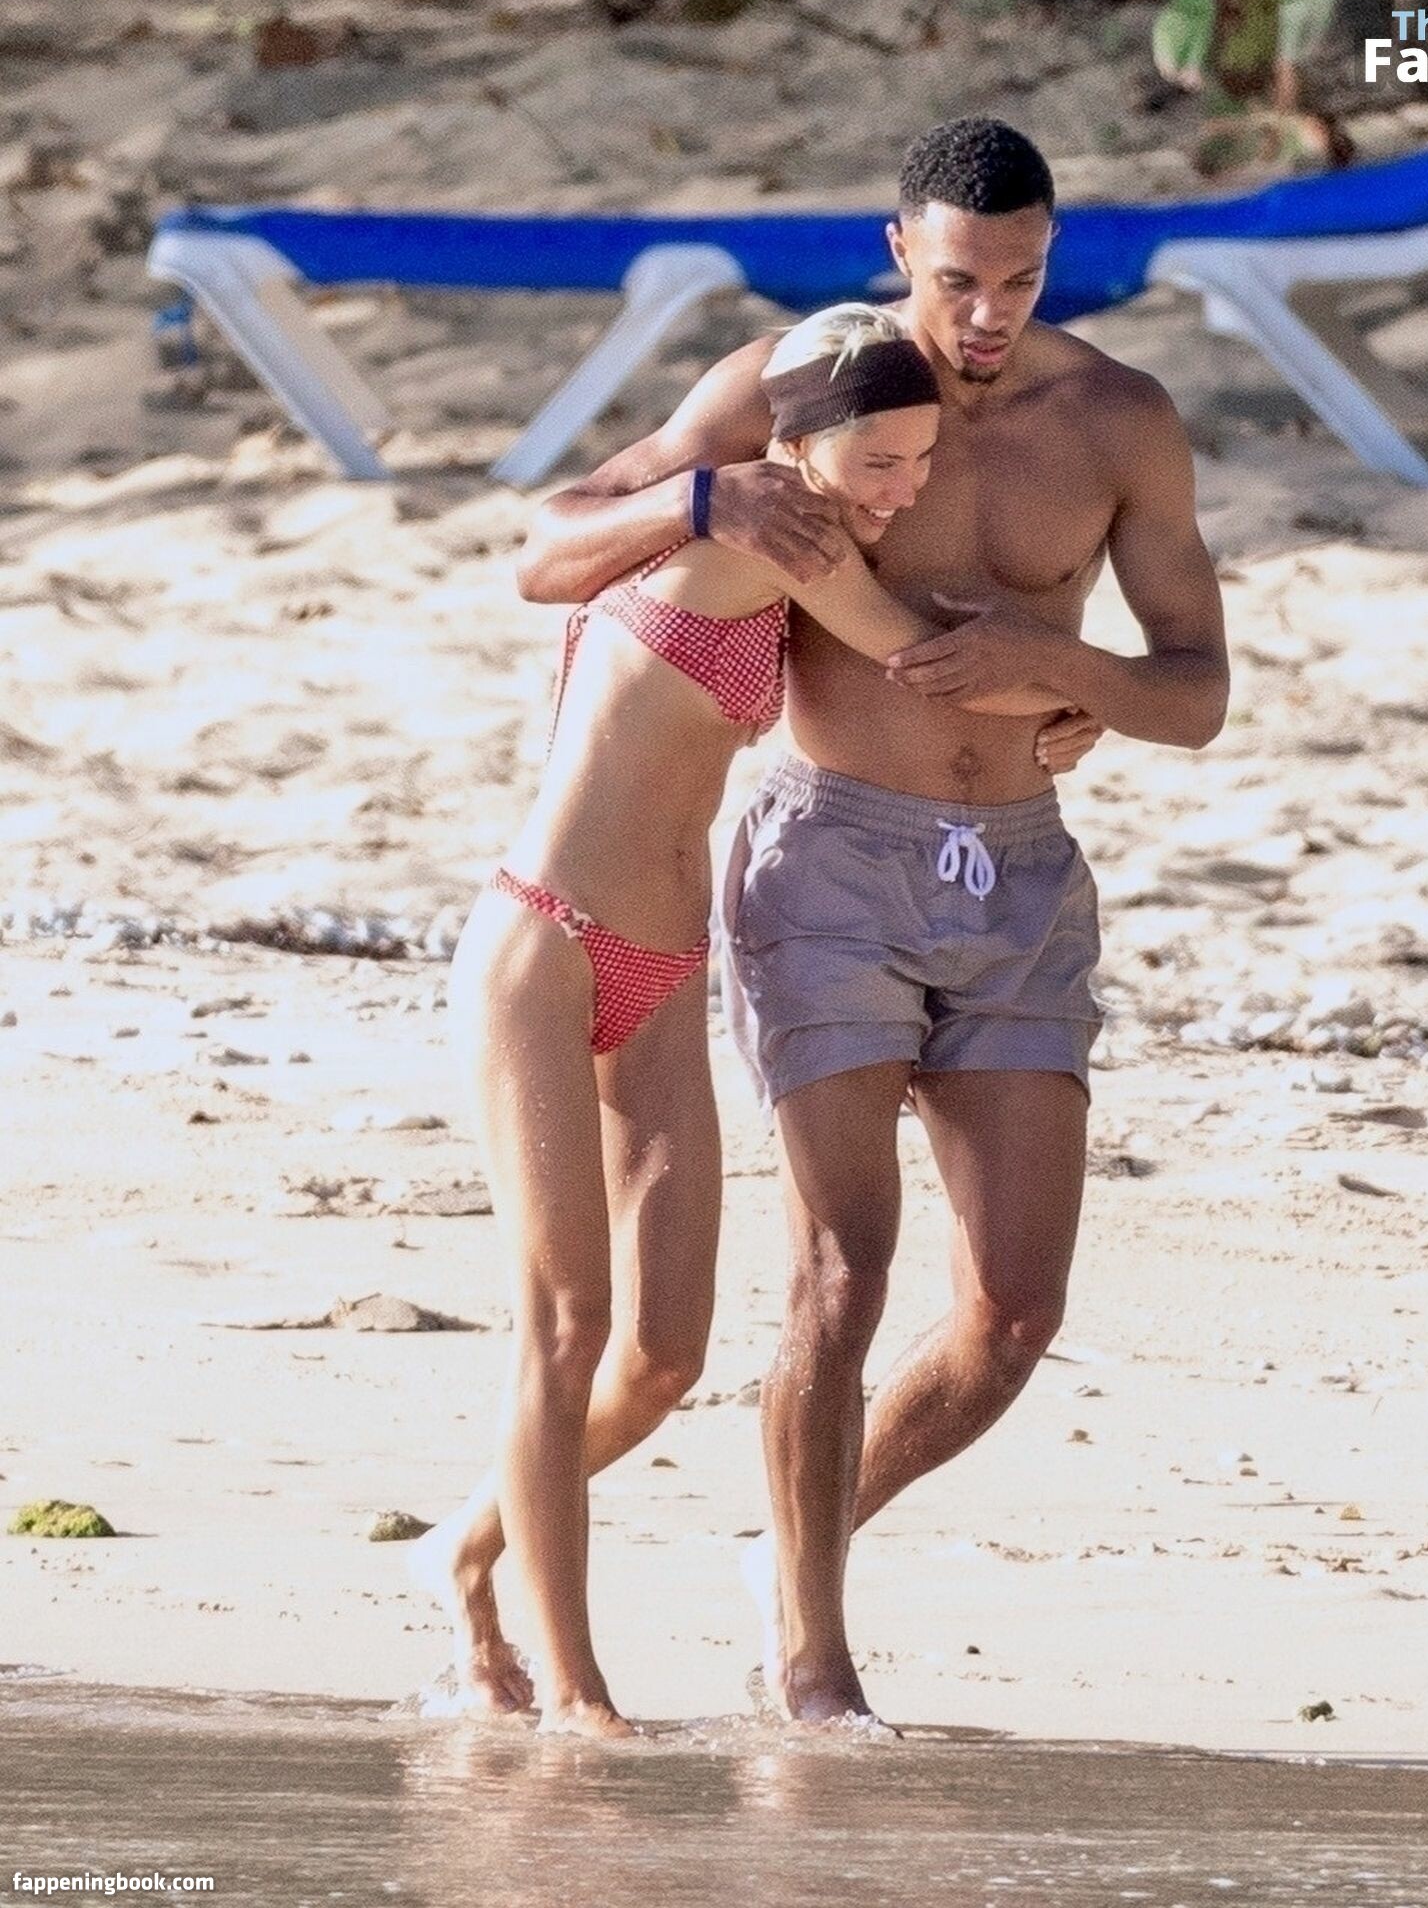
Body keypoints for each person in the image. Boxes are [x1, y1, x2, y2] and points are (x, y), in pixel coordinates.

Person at [514, 116, 1229, 1727]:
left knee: (1012, 1314)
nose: (989, 314)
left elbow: (1196, 692)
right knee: (841, 1272)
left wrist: (1071, 674)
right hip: (832, 858)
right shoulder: (804, 384)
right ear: (900, 249)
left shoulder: (1119, 418)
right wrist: (702, 496)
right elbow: (548, 543)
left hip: (1021, 878)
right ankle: (813, 1665)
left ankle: (795, 1545)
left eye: (1022, 280)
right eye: (961, 279)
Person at [415, 304, 1087, 1737]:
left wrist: (1063, 715)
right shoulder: (767, 532)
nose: (905, 492)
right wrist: (1103, 689)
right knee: (567, 1323)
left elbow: (917, 666)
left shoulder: (792, 535)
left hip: (664, 964)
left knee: (661, 1358)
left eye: (922, 463)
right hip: (544, 946)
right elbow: (917, 655)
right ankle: (574, 1693)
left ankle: (463, 1554)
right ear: (798, 450)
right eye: (881, 463)